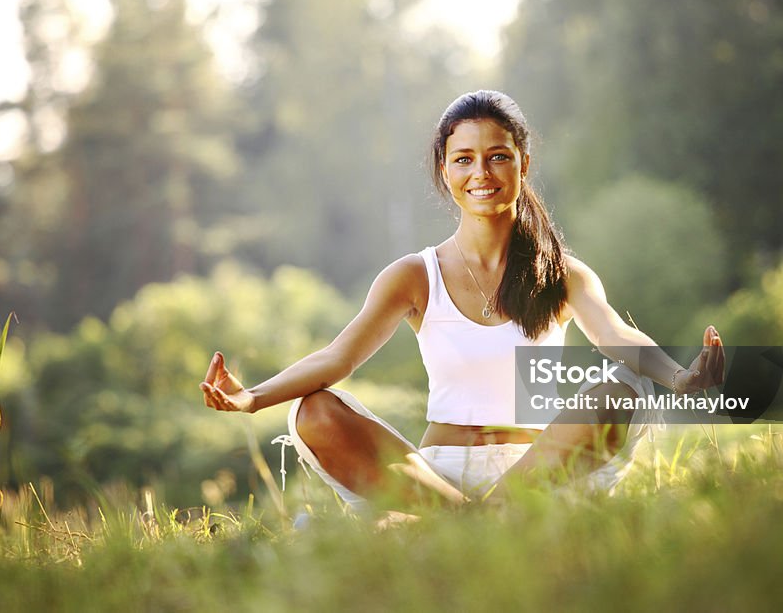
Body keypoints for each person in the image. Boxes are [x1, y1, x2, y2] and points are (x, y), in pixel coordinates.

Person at [198, 90, 725, 511]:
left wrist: (679, 377)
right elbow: (335, 360)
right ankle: (472, 520)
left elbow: (615, 335)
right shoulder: (413, 276)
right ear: (444, 170)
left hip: (536, 473)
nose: (482, 174)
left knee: (619, 391)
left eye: (498, 158)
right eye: (464, 159)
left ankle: (481, 521)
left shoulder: (562, 275)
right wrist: (251, 399)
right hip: (434, 480)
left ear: (522, 165)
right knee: (314, 411)